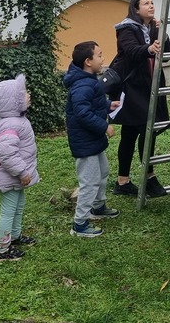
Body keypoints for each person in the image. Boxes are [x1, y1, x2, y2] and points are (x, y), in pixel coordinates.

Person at [108, 0, 170, 198]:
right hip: (132, 86)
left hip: (150, 85)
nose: (151, 6)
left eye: (152, 2)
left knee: (134, 132)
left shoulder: (154, 27)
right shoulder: (126, 28)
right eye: (146, 3)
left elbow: (166, 55)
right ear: (136, 9)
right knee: (142, 128)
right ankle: (146, 177)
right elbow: (132, 51)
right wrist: (149, 48)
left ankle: (126, 180)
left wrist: (163, 34)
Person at [63, 41, 121, 238]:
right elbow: (82, 113)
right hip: (85, 142)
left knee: (103, 172)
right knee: (89, 181)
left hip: (92, 141)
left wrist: (107, 105)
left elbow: (92, 102)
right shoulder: (81, 85)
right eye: (99, 55)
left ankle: (97, 207)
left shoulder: (89, 80)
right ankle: (79, 224)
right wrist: (104, 126)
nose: (102, 59)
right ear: (88, 61)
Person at [0, 73, 40, 263]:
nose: (28, 94)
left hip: (15, 177)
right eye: (23, 93)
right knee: (8, 211)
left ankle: (15, 236)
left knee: (18, 206)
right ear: (13, 101)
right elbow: (6, 153)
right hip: (11, 176)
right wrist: (22, 172)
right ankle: (2, 249)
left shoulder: (13, 120)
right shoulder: (12, 123)